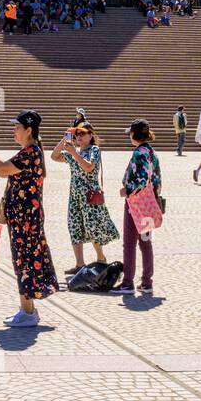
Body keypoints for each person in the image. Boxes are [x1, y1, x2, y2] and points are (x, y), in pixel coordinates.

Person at [0, 109, 59, 327]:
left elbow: (2, 170)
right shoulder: (32, 151)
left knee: (25, 260)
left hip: (25, 218)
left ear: (29, 129)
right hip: (25, 216)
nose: (14, 130)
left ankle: (28, 312)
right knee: (24, 259)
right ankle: (27, 308)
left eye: (17, 127)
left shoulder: (30, 152)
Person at [53, 122, 118, 275]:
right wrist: (64, 140)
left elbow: (89, 167)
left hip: (90, 195)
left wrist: (74, 154)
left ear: (91, 135)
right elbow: (54, 156)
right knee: (74, 226)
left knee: (92, 226)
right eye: (76, 134)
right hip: (75, 195)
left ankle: (101, 258)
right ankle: (79, 263)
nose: (79, 136)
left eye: (82, 133)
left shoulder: (94, 150)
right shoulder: (73, 151)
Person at [111, 118, 161, 296]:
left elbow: (140, 180)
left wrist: (127, 190)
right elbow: (157, 179)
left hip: (136, 203)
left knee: (130, 243)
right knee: (145, 242)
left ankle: (127, 282)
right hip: (149, 203)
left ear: (134, 134)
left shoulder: (139, 153)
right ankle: (147, 282)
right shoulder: (151, 152)